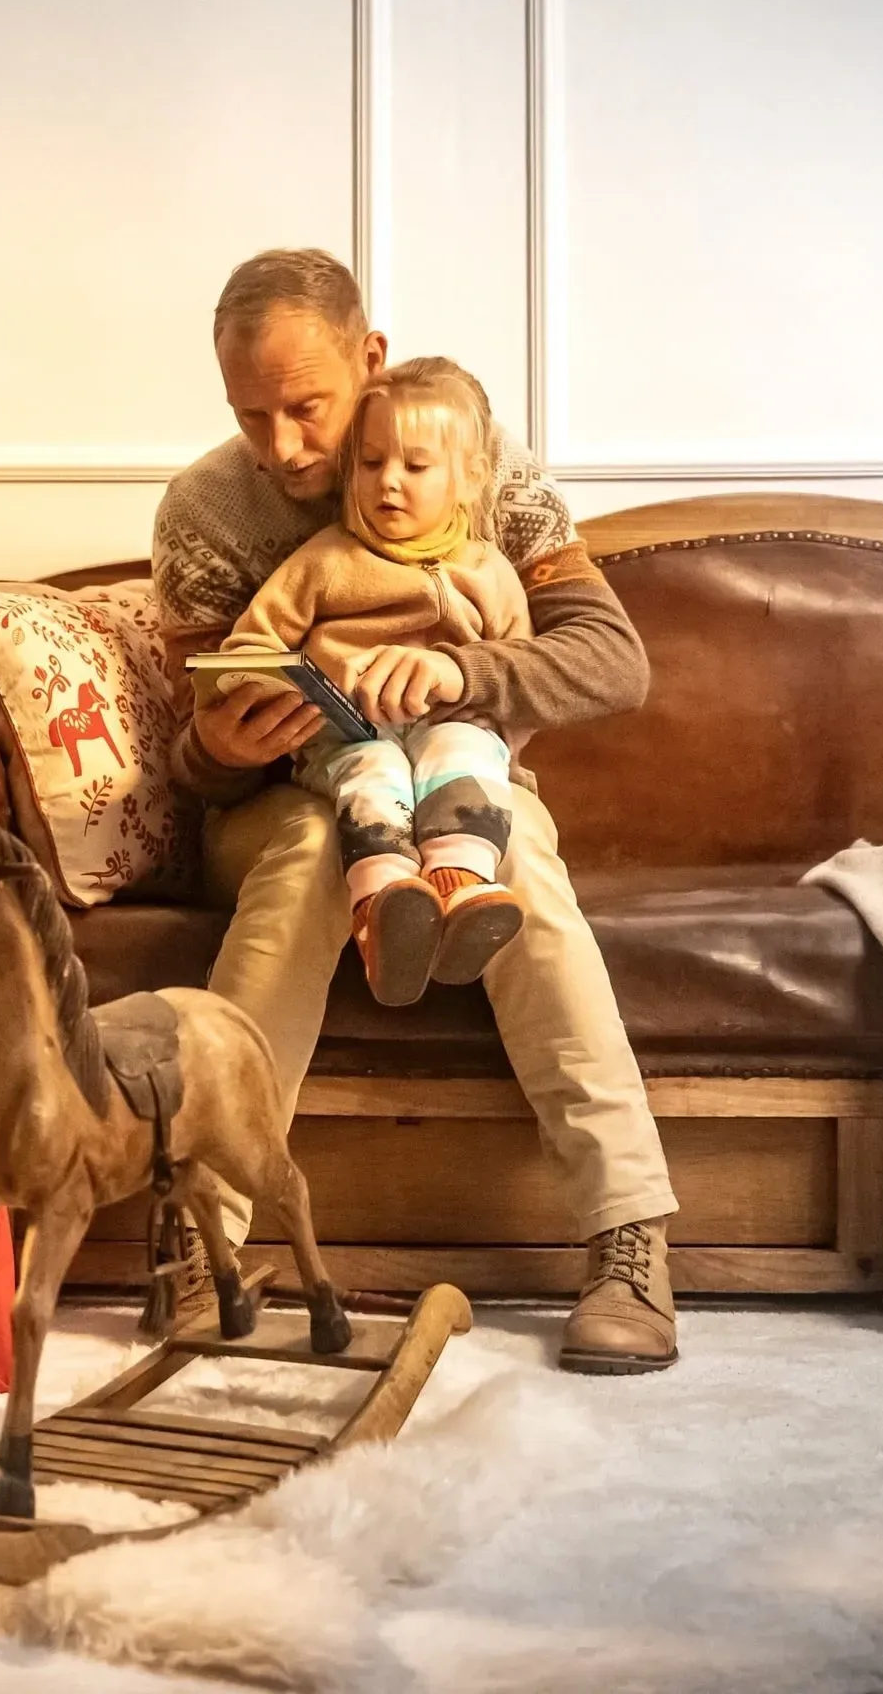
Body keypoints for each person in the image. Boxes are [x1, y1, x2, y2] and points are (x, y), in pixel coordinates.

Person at [152, 248, 678, 1375]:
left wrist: (459, 678)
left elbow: (611, 660)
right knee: (308, 846)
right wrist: (214, 748)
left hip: (454, 778)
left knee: (514, 851)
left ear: (370, 358)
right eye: (253, 417)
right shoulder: (204, 510)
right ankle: (203, 1240)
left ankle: (627, 1238)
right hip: (286, 803)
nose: (283, 448)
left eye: (307, 408)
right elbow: (192, 757)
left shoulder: (472, 463)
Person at [218, 357, 530, 1007]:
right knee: (377, 765)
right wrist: (301, 686)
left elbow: (520, 675)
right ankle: (385, 908)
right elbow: (248, 647)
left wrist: (489, 727)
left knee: (462, 752)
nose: (389, 483)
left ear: (468, 480)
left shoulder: (486, 570)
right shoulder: (324, 561)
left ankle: (462, 889)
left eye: (416, 467)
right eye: (370, 463)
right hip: (348, 734)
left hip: (452, 729)